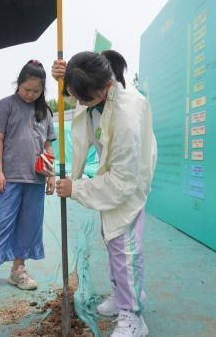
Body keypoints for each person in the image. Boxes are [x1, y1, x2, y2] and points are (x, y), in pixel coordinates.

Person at [53, 50, 156, 337]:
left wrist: (78, 188)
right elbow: (78, 95)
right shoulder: (95, 84)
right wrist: (62, 80)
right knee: (111, 237)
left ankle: (134, 315)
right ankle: (121, 294)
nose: (78, 103)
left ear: (105, 88)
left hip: (128, 181)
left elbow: (123, 181)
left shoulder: (127, 113)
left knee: (125, 246)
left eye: (81, 99)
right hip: (112, 176)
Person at [0, 60, 56, 304]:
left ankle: (18, 270)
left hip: (36, 180)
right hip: (9, 178)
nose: (30, 95)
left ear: (42, 91)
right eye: (26, 89)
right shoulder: (5, 105)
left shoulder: (45, 112)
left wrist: (50, 174)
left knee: (30, 226)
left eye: (36, 91)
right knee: (2, 224)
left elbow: (48, 145)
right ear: (18, 84)